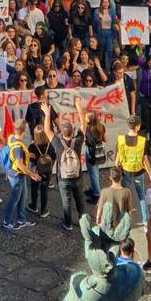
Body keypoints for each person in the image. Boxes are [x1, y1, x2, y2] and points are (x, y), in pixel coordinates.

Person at [46, 98, 87, 231]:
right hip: (77, 176)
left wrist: (47, 114)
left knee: (66, 201)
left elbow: (47, 131)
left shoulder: (58, 144)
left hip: (63, 178)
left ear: (61, 133)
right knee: (80, 199)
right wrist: (79, 107)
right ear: (72, 131)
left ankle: (68, 223)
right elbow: (83, 124)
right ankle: (83, 222)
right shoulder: (78, 141)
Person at [1, 118, 39, 231]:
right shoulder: (18, 147)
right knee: (14, 199)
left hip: (13, 173)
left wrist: (27, 153)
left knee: (23, 197)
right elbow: (20, 164)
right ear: (24, 131)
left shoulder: (11, 137)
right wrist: (32, 174)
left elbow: (17, 152)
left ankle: (21, 220)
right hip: (17, 175)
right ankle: (6, 221)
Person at [115, 116, 151, 227]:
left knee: (124, 197)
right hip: (138, 172)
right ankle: (146, 221)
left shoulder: (121, 140)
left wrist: (115, 177)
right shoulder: (142, 141)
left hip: (125, 172)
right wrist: (150, 174)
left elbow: (117, 161)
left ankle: (123, 220)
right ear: (137, 127)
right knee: (141, 196)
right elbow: (145, 161)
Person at [28, 127, 55, 218]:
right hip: (47, 171)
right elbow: (54, 157)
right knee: (44, 190)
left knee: (34, 188)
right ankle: (43, 211)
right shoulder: (50, 145)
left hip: (36, 171)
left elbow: (31, 159)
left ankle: (34, 206)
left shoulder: (32, 146)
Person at [84, 109, 107, 203]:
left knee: (93, 172)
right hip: (99, 151)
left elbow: (89, 141)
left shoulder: (88, 129)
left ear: (89, 119)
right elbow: (104, 138)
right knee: (95, 171)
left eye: (86, 117)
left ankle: (97, 194)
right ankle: (94, 189)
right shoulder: (101, 126)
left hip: (91, 152)